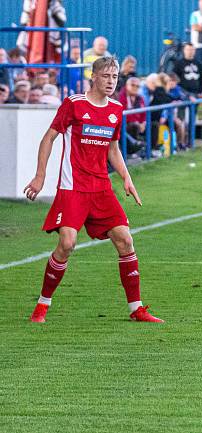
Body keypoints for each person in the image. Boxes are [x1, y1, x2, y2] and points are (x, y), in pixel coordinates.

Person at [23, 56, 163, 324]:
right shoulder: (73, 105)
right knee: (67, 244)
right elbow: (48, 138)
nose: (111, 82)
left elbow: (113, 148)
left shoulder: (116, 109)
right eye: (106, 76)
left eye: (115, 77)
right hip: (73, 188)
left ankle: (136, 308)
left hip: (101, 188)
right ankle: (42, 305)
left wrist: (126, 177)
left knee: (125, 240)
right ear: (94, 77)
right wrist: (40, 176)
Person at [117, 76, 146, 154]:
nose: (135, 87)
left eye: (137, 86)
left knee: (154, 125)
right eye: (132, 85)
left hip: (138, 124)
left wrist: (143, 122)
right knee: (133, 126)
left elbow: (144, 113)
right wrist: (136, 122)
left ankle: (150, 149)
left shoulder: (140, 98)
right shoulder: (120, 96)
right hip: (124, 124)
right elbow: (121, 114)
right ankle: (132, 151)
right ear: (126, 85)